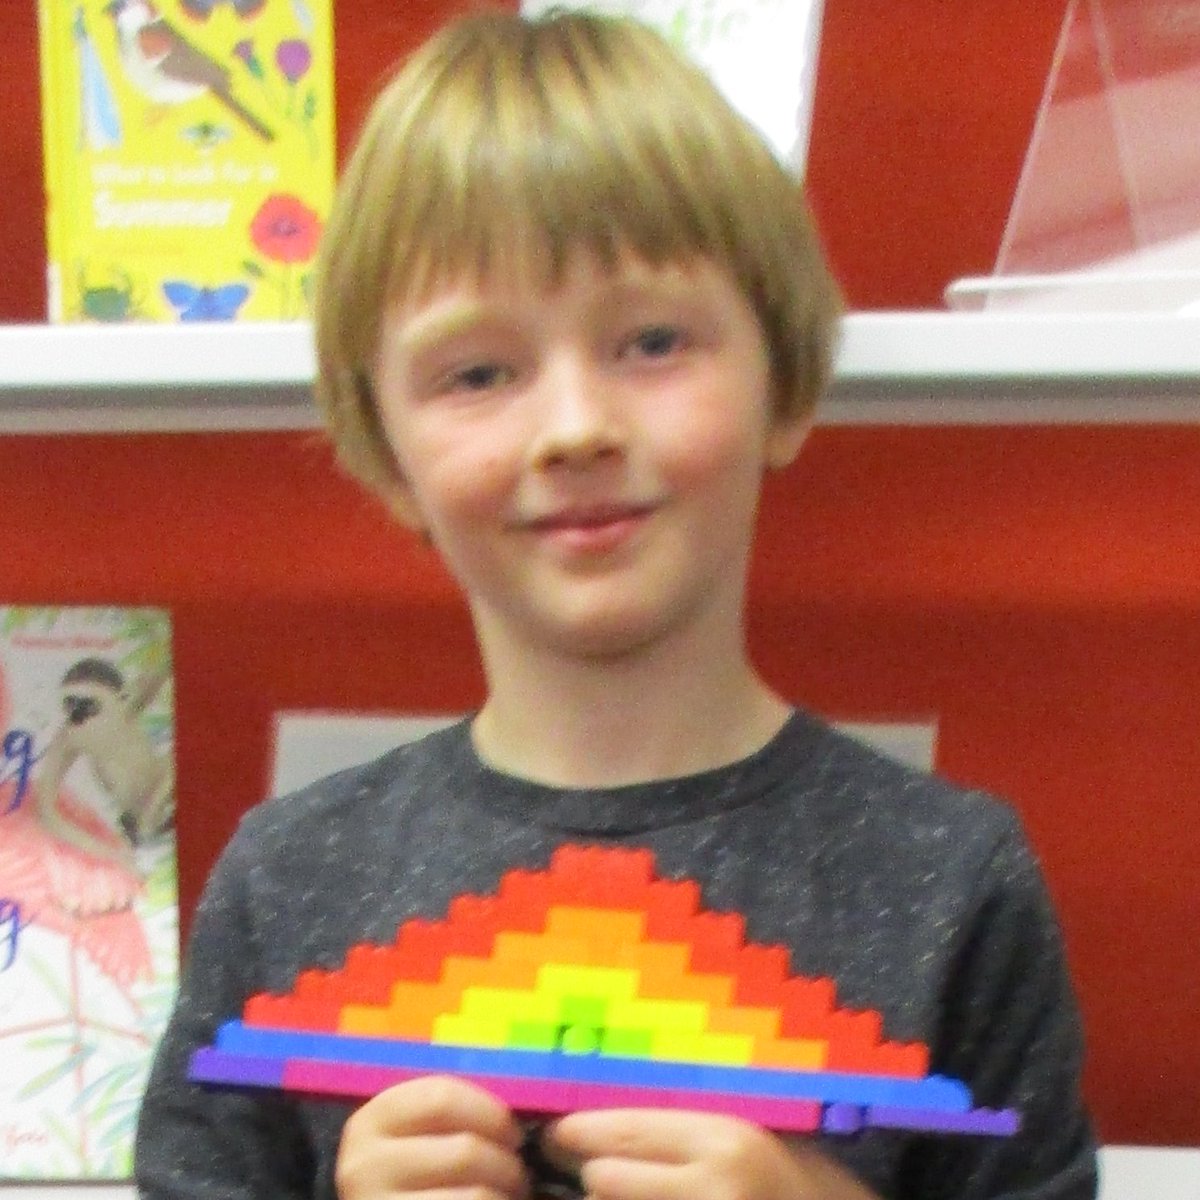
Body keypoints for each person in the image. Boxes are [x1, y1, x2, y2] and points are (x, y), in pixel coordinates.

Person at [134, 10, 1098, 1200]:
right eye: (480, 372)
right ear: (387, 453)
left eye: (651, 340)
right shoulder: (286, 879)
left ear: (783, 383)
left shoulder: (957, 878)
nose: (576, 426)